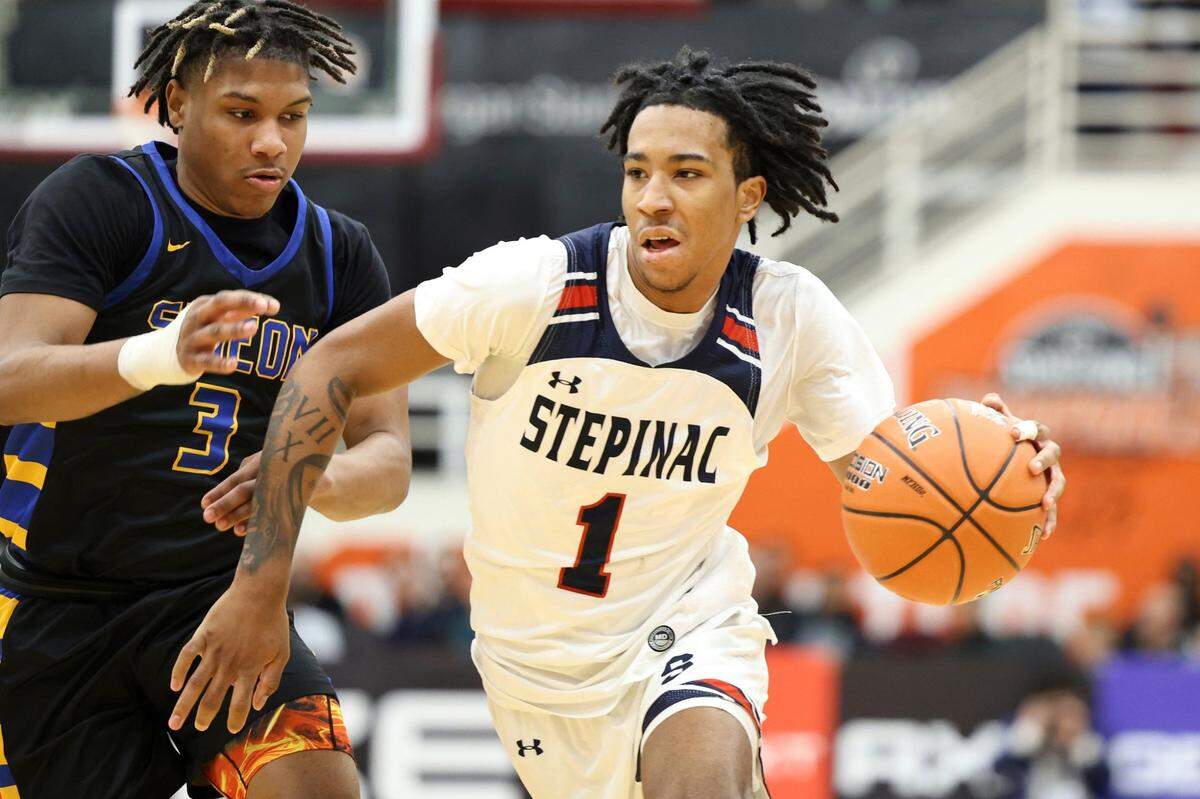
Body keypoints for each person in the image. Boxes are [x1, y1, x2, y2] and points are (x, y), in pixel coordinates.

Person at [179, 47, 1067, 799]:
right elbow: (332, 364)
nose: (652, 198)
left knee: (700, 763)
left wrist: (995, 474)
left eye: (686, 174)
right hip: (534, 668)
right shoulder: (530, 288)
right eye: (639, 171)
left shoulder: (790, 315)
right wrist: (261, 586)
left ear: (747, 193)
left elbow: (893, 473)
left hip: (687, 624)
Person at [0, 2, 411, 797]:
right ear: (179, 104)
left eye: (294, 117)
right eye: (242, 113)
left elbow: (388, 459)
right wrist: (159, 355)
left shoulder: (338, 254)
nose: (272, 142)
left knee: (318, 788)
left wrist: (306, 481)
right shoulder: (100, 200)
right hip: (56, 597)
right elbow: (10, 375)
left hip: (224, 592)